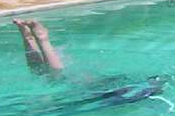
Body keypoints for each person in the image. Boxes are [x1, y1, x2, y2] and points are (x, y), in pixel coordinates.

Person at [13, 18, 166, 107]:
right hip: (92, 87)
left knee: (41, 75)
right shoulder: (132, 92)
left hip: (101, 84)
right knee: (56, 77)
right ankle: (42, 39)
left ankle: (28, 38)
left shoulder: (134, 86)